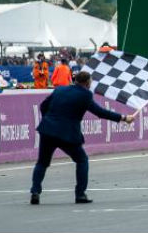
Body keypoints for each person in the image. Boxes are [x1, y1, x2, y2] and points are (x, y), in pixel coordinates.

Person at [30, 71, 135, 205]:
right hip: (67, 134)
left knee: (42, 162)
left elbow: (43, 106)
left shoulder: (60, 89)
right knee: (82, 160)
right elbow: (100, 112)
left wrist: (49, 119)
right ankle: (80, 194)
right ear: (87, 83)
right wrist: (124, 118)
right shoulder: (85, 95)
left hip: (47, 130)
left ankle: (35, 191)